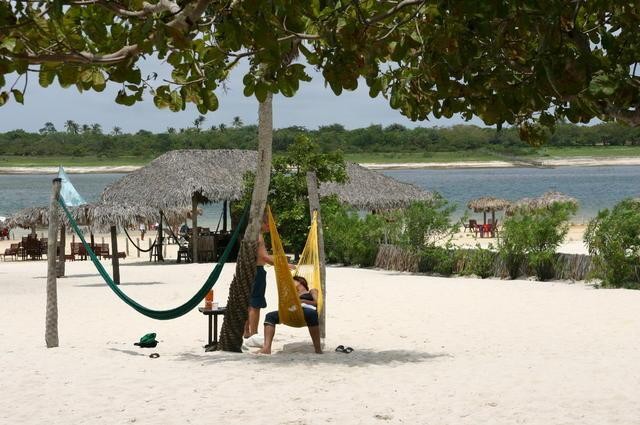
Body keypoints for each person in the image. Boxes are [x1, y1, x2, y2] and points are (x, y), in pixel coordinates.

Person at [243, 211, 293, 347]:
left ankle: (246, 332)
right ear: (263, 223)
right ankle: (253, 334)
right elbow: (264, 257)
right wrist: (284, 265)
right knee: (255, 304)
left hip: (247, 270)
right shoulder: (258, 237)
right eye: (270, 224)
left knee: (248, 303)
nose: (271, 227)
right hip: (257, 271)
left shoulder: (249, 235)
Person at [258, 276, 322, 355]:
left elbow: (316, 303)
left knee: (312, 314)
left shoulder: (312, 291)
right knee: (270, 316)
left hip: (306, 310)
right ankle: (266, 348)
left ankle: (318, 349)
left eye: (293, 281)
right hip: (291, 312)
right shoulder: (292, 293)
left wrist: (302, 301)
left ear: (300, 282)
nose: (290, 283)